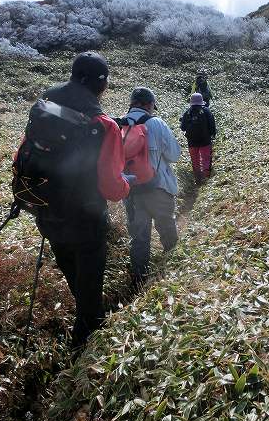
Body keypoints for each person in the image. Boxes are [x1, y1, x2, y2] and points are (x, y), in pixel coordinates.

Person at [33, 51, 130, 350]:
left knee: (76, 279)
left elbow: (23, 153)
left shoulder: (43, 106)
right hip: (86, 222)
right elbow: (112, 188)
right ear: (100, 84)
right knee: (90, 294)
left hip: (47, 214)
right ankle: (87, 352)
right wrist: (127, 186)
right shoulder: (104, 125)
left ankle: (87, 330)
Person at [122, 87, 181, 285]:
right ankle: (173, 270)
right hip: (158, 188)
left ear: (132, 104)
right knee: (166, 227)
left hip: (130, 191)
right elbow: (174, 155)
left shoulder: (117, 125)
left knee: (139, 238)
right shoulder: (156, 123)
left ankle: (139, 282)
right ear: (150, 105)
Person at [180, 92, 216, 182]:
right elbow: (212, 125)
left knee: (195, 159)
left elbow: (183, 127)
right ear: (201, 101)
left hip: (192, 141)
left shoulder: (187, 112)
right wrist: (212, 134)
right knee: (206, 158)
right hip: (205, 140)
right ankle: (206, 178)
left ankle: (198, 178)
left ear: (191, 102)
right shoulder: (206, 111)